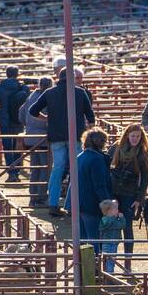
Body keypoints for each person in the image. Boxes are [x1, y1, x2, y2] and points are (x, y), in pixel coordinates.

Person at [26, 68, 96, 216]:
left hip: (56, 136)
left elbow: (32, 111)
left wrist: (47, 118)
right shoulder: (80, 92)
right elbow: (91, 117)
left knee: (57, 170)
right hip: (76, 136)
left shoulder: (49, 92)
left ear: (59, 77)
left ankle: (53, 204)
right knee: (77, 170)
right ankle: (73, 204)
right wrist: (89, 132)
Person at [109, 122, 148, 258]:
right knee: (112, 226)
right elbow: (106, 165)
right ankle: (111, 258)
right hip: (114, 191)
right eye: (133, 136)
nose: (135, 139)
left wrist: (139, 199)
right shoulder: (116, 148)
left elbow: (145, 177)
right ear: (127, 135)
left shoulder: (143, 153)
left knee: (127, 227)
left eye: (138, 136)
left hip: (129, 193)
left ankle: (128, 260)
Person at [75, 127, 113, 253]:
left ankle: (83, 268)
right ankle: (94, 269)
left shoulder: (80, 156)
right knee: (95, 239)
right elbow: (100, 185)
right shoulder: (97, 159)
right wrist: (108, 204)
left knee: (83, 239)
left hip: (79, 203)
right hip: (92, 205)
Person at [0, 66, 28, 180]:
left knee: (7, 146)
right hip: (18, 120)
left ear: (6, 74)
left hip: (5, 120)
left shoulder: (0, 87)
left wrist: (0, 115)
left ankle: (11, 172)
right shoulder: (22, 87)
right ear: (17, 74)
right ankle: (17, 171)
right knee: (18, 146)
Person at [20, 74, 53, 207]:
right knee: (44, 168)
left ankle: (33, 197)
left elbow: (21, 113)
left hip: (30, 138)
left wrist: (27, 126)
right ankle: (40, 198)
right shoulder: (47, 98)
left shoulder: (31, 97)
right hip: (43, 139)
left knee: (35, 169)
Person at [96, 198, 125, 275]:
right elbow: (122, 225)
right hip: (111, 243)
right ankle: (110, 277)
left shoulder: (105, 219)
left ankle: (107, 276)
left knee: (108, 260)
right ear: (110, 211)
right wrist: (121, 218)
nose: (117, 210)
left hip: (108, 242)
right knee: (110, 261)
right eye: (115, 208)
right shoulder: (111, 220)